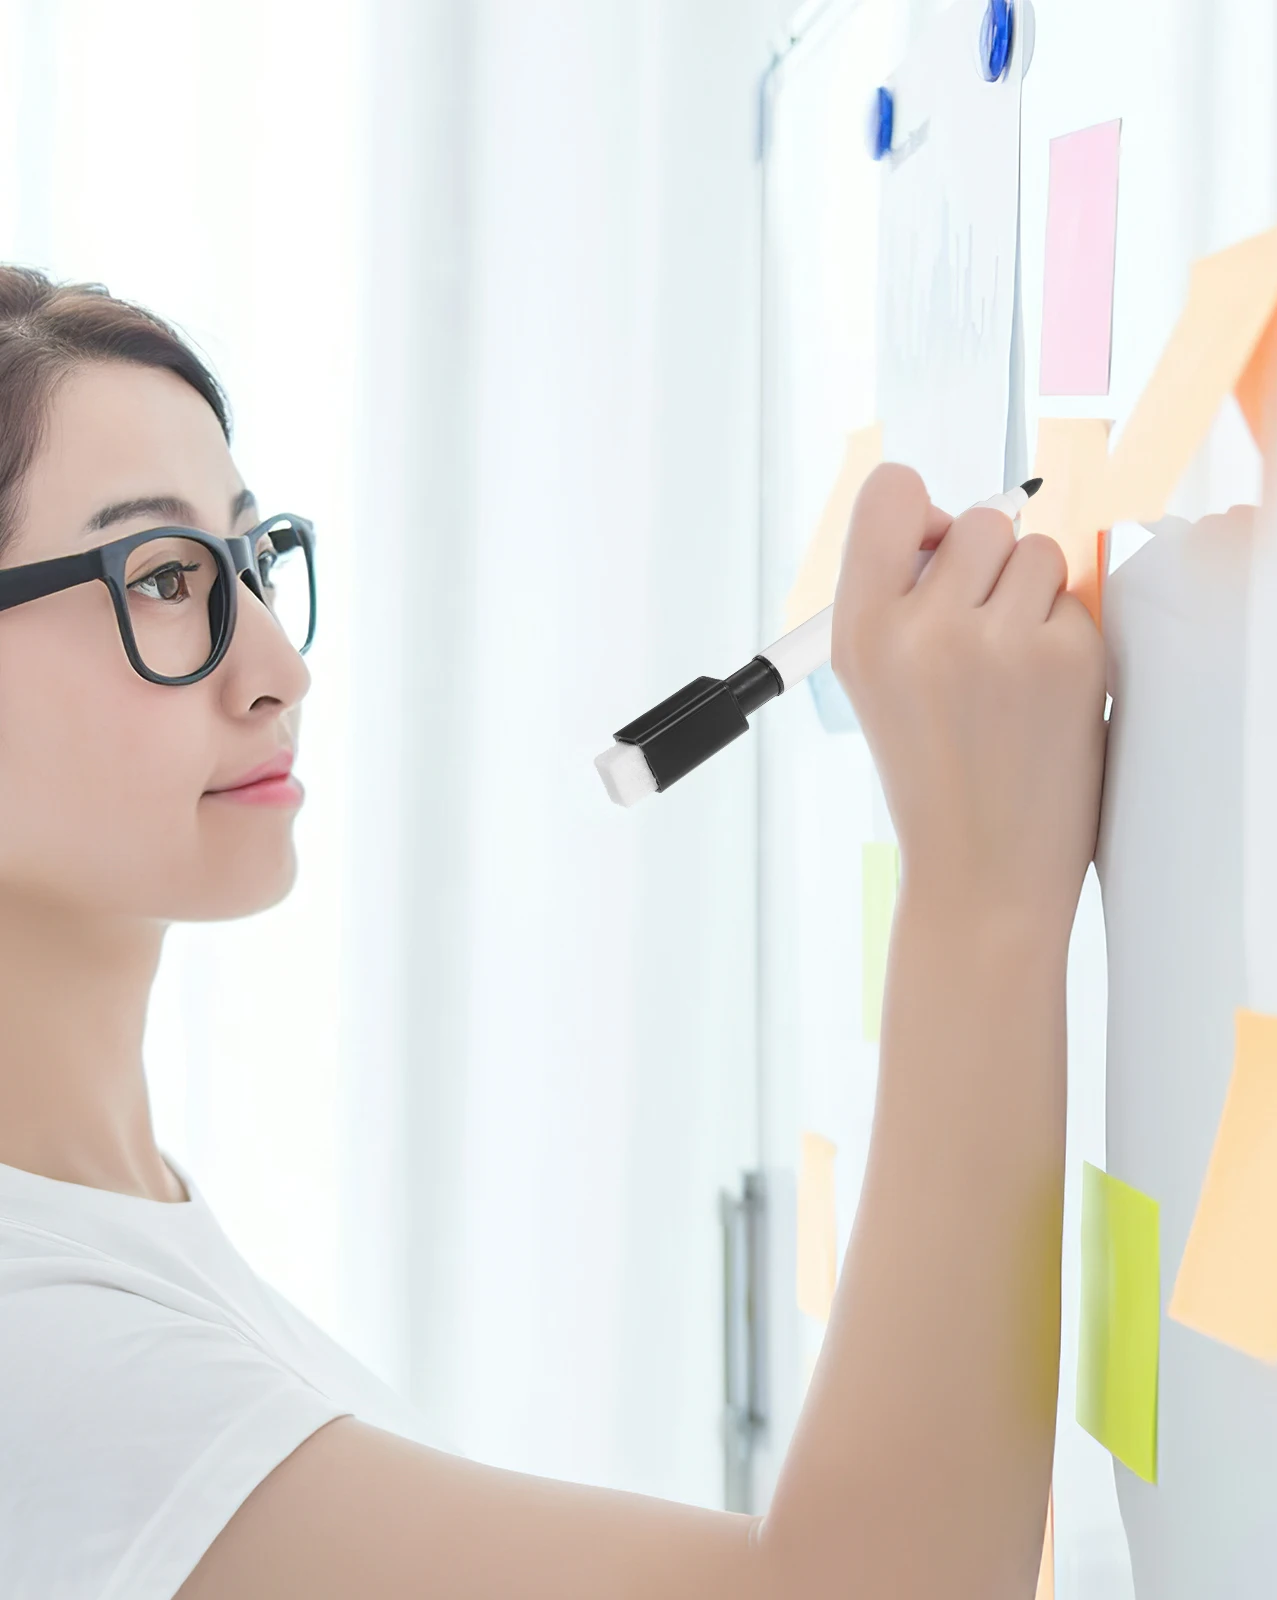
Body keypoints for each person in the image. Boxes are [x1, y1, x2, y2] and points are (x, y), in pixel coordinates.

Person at [0, 264, 1105, 1599]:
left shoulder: (112, 1230)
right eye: (166, 578)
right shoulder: (42, 1352)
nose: (281, 671)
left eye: (253, 559)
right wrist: (981, 897)